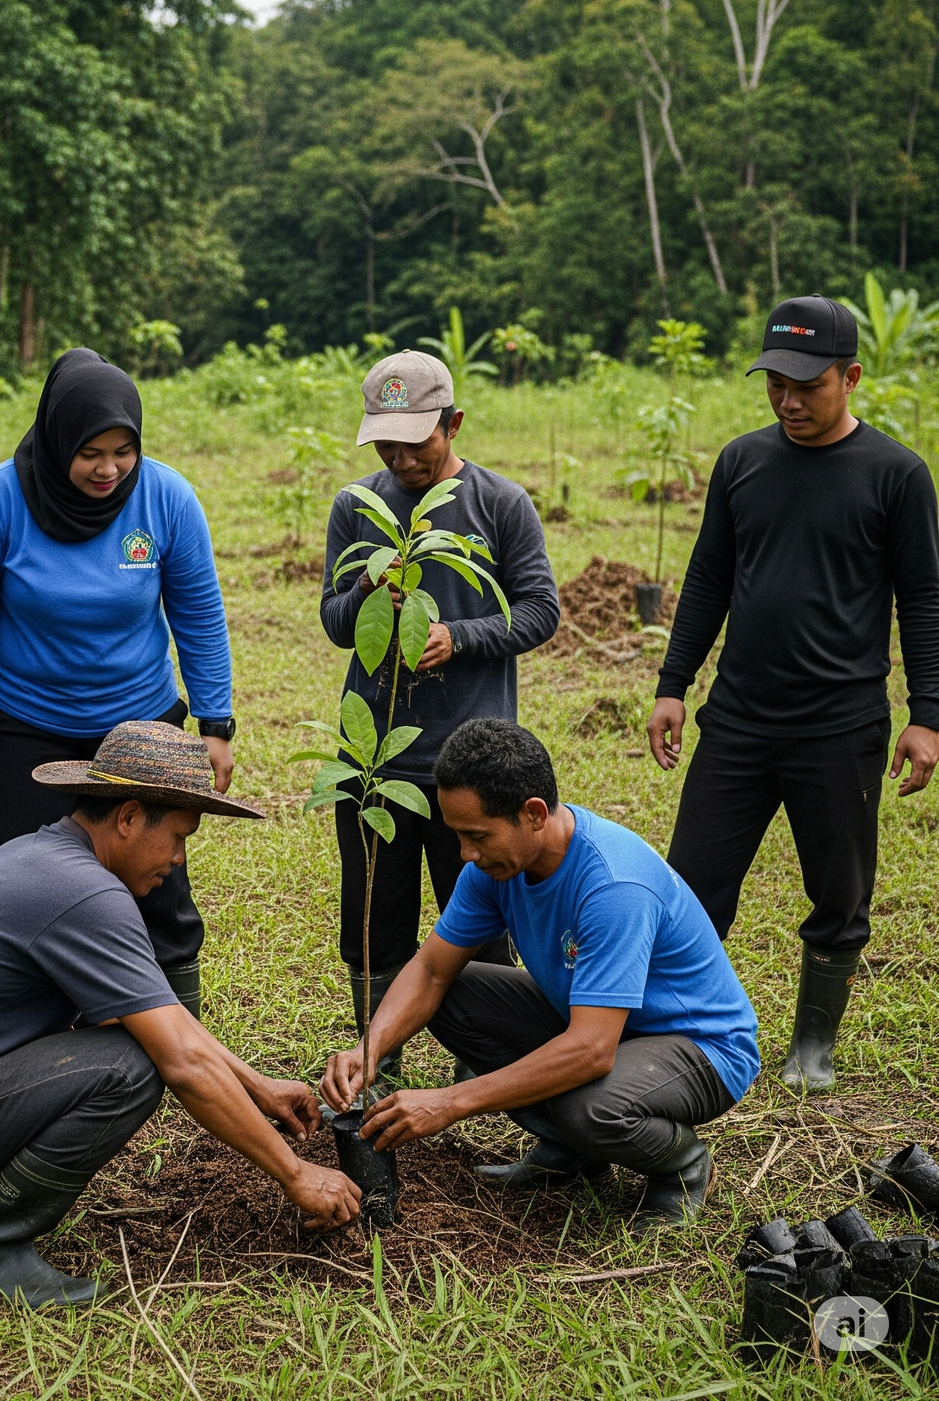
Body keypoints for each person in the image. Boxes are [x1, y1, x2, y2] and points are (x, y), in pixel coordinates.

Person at [0, 721, 359, 1307]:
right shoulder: (89, 895)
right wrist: (296, 1174)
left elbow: (146, 1014)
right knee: (131, 1068)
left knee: (130, 1039)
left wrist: (256, 1085)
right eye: (178, 837)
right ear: (129, 817)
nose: (179, 859)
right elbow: (180, 1060)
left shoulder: (38, 855)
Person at [648, 294, 939, 1094]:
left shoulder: (897, 474)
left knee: (839, 893)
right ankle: (678, 1030)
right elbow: (708, 579)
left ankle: (813, 1044)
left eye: (808, 386)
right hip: (737, 721)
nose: (788, 401)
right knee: (691, 886)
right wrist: (673, 684)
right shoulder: (742, 462)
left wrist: (927, 715)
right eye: (776, 383)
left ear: (851, 377)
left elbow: (922, 598)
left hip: (841, 727)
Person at [320, 719, 759, 1233]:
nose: (466, 854)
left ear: (533, 813)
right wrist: (368, 1050)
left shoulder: (613, 886)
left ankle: (682, 1166)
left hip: (699, 1047)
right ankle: (571, 1152)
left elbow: (591, 1050)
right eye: (458, 835)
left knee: (588, 1105)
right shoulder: (494, 869)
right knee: (455, 995)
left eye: (477, 836)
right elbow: (431, 970)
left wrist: (450, 1102)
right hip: (598, 1023)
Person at [0, 349, 236, 1016]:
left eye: (124, 451)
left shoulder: (167, 498)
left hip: (139, 726)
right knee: (20, 889)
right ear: (57, 440)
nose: (108, 469)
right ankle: (30, 1028)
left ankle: (177, 1026)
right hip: (19, 724)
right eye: (90, 452)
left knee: (159, 887)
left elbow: (200, 616)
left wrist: (216, 724)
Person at [320, 351, 559, 1067]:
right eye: (386, 445)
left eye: (415, 442)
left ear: (453, 424)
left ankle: (483, 1060)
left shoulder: (501, 504)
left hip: (474, 763)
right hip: (375, 760)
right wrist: (367, 591)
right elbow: (335, 623)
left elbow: (540, 610)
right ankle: (376, 1061)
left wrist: (461, 636)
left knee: (483, 924)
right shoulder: (357, 507)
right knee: (374, 922)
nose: (401, 459)